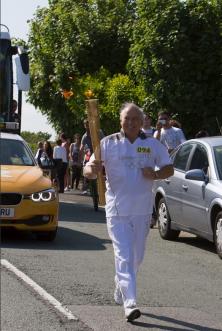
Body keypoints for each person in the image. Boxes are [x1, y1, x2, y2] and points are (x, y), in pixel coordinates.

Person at [83, 102, 174, 322]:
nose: (131, 122)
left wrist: (155, 175)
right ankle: (130, 302)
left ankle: (120, 286)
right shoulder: (108, 143)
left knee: (136, 257)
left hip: (142, 210)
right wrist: (91, 171)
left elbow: (169, 168)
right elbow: (89, 168)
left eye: (135, 119)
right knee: (123, 254)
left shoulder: (152, 144)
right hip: (117, 209)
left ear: (142, 122)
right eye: (127, 119)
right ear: (120, 121)